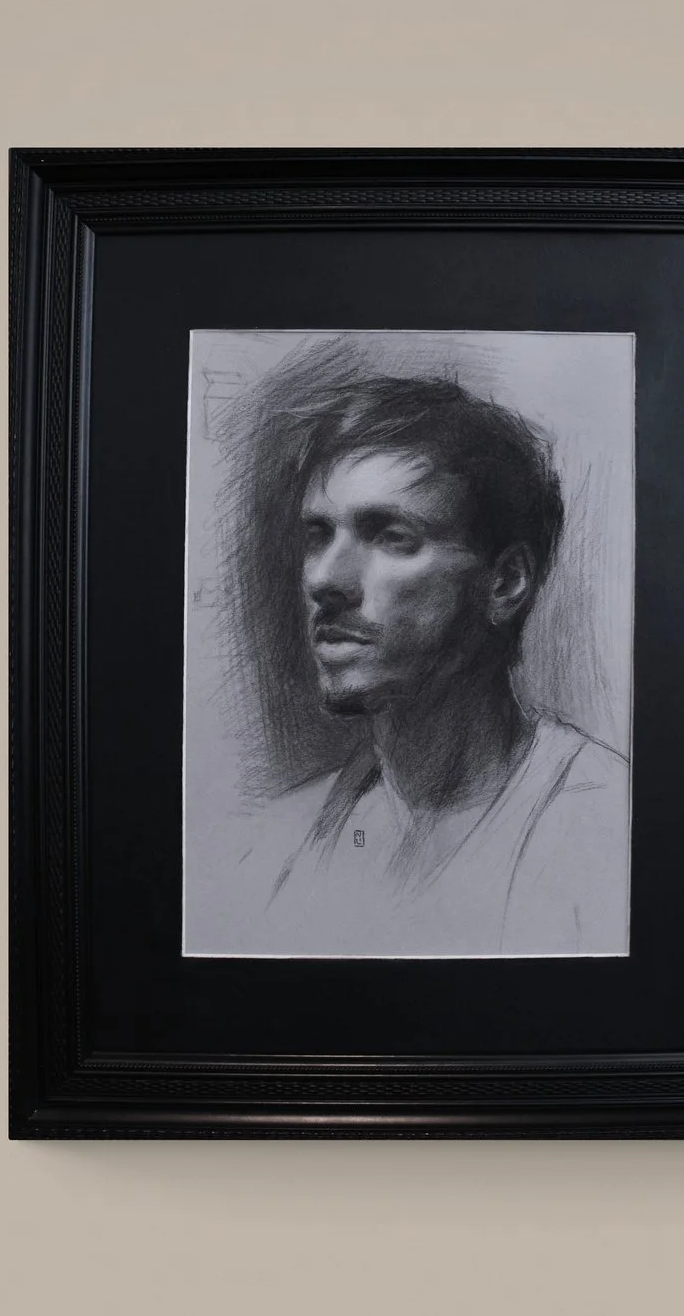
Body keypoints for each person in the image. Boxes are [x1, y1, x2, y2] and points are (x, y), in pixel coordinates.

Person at [220, 375, 629, 957]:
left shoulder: (608, 827)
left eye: (391, 535)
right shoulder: (271, 851)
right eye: (318, 535)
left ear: (507, 582)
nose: (324, 580)